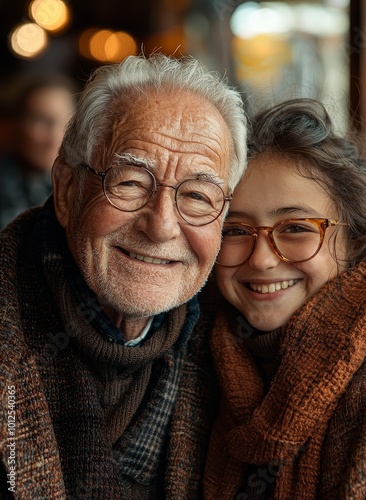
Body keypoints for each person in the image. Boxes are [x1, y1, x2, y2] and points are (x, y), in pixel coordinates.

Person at [0, 53, 248, 498]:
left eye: (197, 195)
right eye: (131, 182)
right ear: (67, 190)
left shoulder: (235, 355)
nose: (162, 226)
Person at [203, 98, 366, 499]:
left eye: (296, 227)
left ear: (355, 240)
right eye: (234, 231)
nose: (262, 260)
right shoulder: (199, 356)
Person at [0, 74, 77, 229]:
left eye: (66, 124)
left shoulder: (80, 186)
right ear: (17, 124)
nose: (53, 139)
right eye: (41, 121)